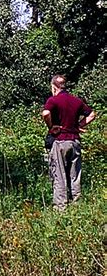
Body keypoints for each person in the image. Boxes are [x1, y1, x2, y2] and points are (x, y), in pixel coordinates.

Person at [42, 74, 96, 210]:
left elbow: (45, 113)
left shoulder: (53, 100)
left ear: (54, 86)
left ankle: (61, 208)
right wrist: (79, 126)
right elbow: (92, 114)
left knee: (59, 175)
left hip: (59, 141)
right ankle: (76, 205)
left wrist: (51, 127)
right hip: (75, 141)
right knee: (75, 175)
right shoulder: (76, 100)